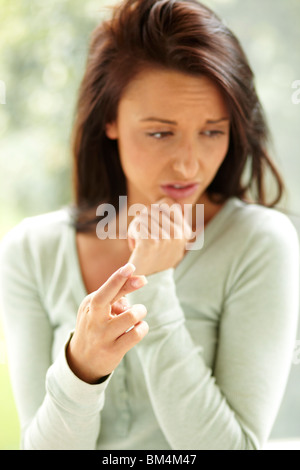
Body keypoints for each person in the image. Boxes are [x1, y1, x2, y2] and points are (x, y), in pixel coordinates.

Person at [0, 0, 299, 451]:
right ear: (110, 120)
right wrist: (81, 367)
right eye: (160, 132)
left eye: (212, 132)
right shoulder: (31, 250)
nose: (188, 163)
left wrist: (156, 284)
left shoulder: (259, 243)